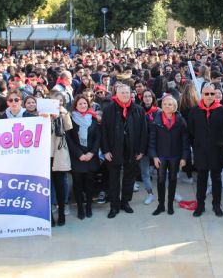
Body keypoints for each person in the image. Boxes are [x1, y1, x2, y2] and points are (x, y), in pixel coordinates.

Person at [101, 84, 148, 219]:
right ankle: (114, 206)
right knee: (114, 179)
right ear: (117, 94)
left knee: (129, 178)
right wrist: (105, 150)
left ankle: (125, 202)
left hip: (132, 150)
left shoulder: (138, 110)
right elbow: (103, 131)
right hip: (114, 150)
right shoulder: (109, 109)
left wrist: (141, 150)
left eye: (127, 93)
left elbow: (143, 132)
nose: (125, 95)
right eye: (122, 93)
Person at [187, 83, 223, 217]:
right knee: (201, 179)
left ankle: (216, 205)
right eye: (207, 94)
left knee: (217, 180)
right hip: (201, 151)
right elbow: (191, 131)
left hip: (217, 151)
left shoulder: (222, 110)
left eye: (212, 94)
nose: (210, 96)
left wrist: (218, 142)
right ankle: (200, 206)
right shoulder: (194, 111)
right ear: (202, 94)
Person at [149, 96, 190, 215]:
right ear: (161, 106)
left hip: (175, 156)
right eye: (165, 104)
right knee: (161, 180)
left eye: (170, 104)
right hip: (161, 156)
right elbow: (152, 140)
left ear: (174, 107)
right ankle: (161, 205)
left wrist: (184, 157)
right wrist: (154, 156)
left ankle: (170, 205)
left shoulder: (180, 121)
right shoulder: (156, 120)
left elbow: (185, 141)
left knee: (173, 180)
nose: (167, 106)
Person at [66, 95, 101, 220]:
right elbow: (69, 139)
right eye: (80, 104)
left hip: (91, 156)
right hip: (77, 158)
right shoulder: (70, 119)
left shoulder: (93, 118)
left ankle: (89, 207)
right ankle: (80, 207)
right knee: (78, 184)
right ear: (75, 106)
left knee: (90, 184)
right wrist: (79, 154)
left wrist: (92, 153)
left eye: (85, 104)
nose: (83, 106)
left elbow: (98, 138)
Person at [49, 91, 73, 226]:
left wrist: (63, 113)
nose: (58, 104)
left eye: (60, 101)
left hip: (59, 153)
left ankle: (62, 212)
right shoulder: (43, 115)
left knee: (59, 185)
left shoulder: (63, 114)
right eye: (55, 101)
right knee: (47, 187)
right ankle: (50, 215)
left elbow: (69, 127)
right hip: (46, 155)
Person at [137, 89, 157, 205]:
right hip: (143, 147)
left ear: (153, 98)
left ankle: (171, 193)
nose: (147, 98)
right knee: (144, 172)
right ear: (142, 98)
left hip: (156, 147)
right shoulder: (138, 111)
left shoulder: (158, 112)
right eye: (145, 96)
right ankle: (150, 193)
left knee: (162, 172)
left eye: (149, 96)